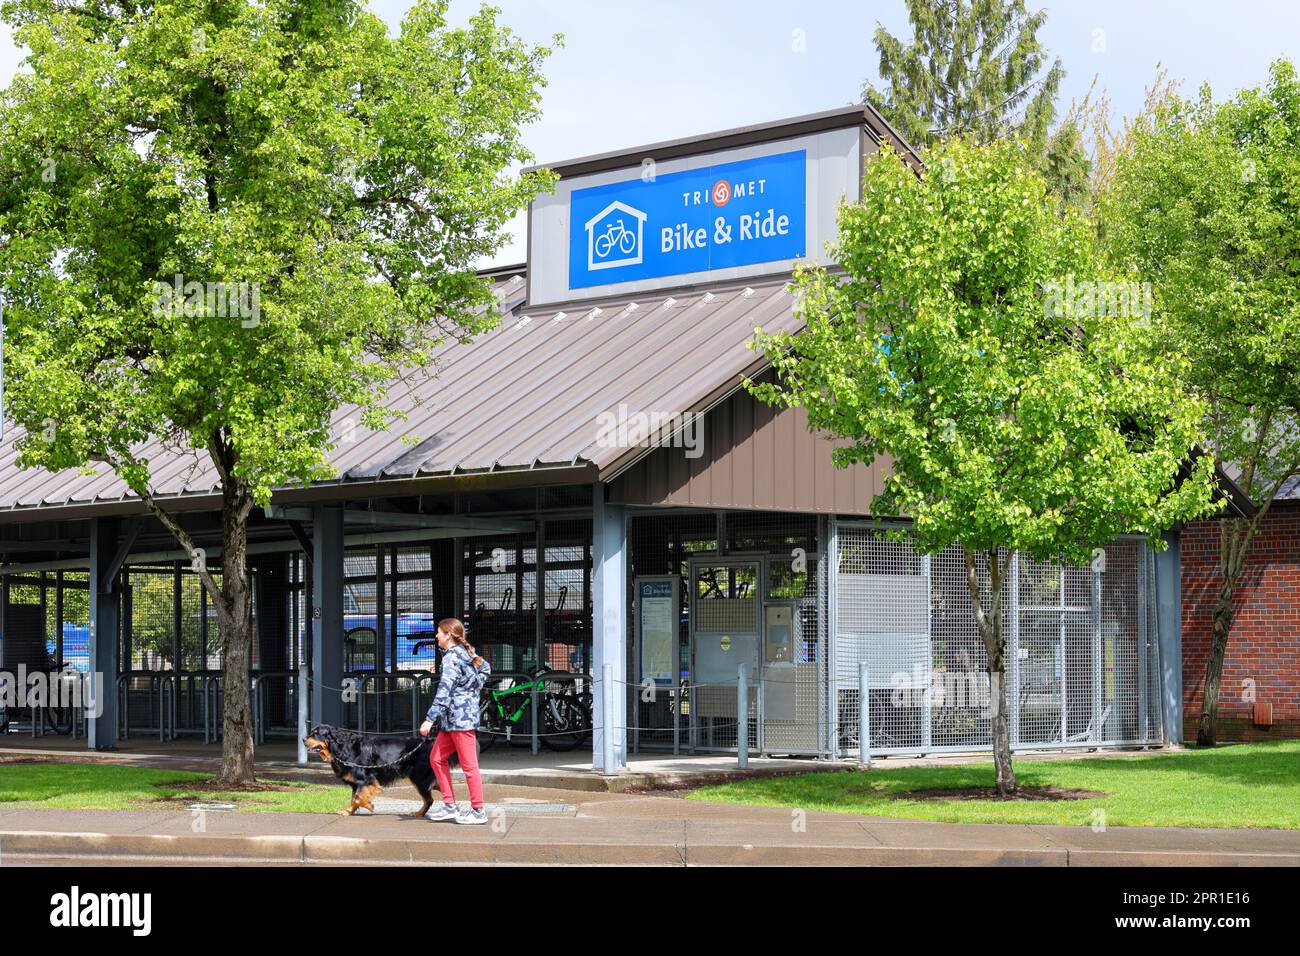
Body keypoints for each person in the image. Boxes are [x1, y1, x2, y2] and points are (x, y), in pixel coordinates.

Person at [419, 617, 491, 824]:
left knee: (470, 767)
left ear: (448, 635)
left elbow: (444, 690)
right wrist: (471, 691)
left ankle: (478, 811)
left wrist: (429, 719)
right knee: (436, 758)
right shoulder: (466, 652)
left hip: (460, 720)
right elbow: (485, 669)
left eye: (439, 633)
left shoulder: (451, 658)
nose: (436, 636)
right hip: (453, 720)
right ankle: (449, 805)